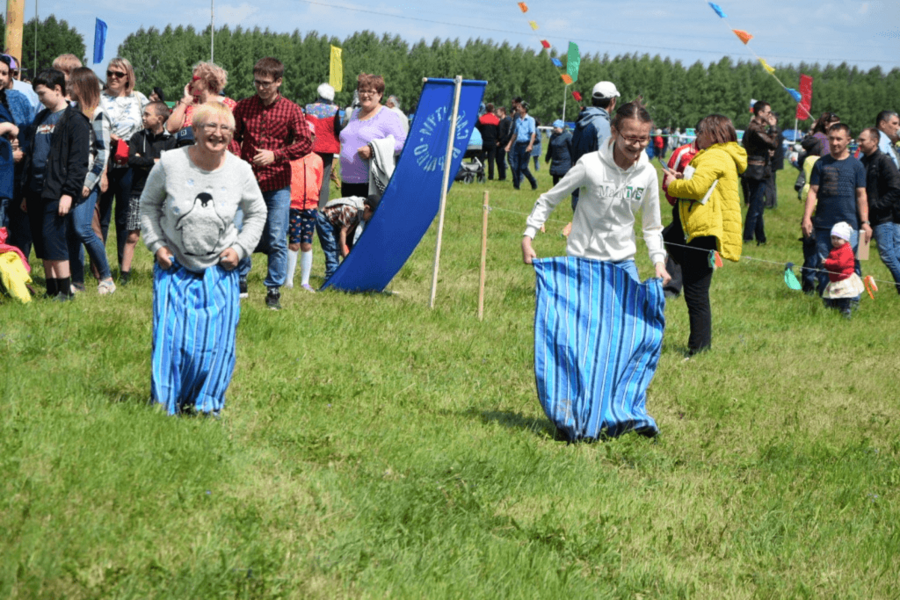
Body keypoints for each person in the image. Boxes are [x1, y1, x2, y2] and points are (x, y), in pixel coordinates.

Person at [140, 102, 266, 416]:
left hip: (220, 271)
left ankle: (206, 405)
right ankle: (165, 404)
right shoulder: (170, 163)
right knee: (171, 340)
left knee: (217, 344)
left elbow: (257, 213)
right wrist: (157, 245)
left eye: (225, 128)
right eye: (209, 126)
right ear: (194, 130)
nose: (217, 133)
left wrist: (239, 250)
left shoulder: (241, 170)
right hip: (174, 266)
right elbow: (147, 206)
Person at [522, 99, 670, 285]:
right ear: (614, 132)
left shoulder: (647, 173)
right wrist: (528, 236)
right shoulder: (590, 165)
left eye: (643, 139)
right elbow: (549, 199)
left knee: (631, 313)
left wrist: (658, 262)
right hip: (583, 259)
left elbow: (652, 226)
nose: (637, 145)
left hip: (623, 262)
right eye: (631, 138)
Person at [232, 56, 313, 310]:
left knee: (277, 237)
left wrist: (276, 155)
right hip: (246, 182)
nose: (261, 87)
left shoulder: (291, 110)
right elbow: (233, 136)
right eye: (257, 82)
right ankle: (240, 278)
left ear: (279, 82)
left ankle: (273, 289)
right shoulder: (243, 107)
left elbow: (306, 142)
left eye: (266, 83)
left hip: (277, 184)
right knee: (238, 231)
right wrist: (238, 158)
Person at [664, 114, 747, 355]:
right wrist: (683, 178)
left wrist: (672, 184)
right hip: (702, 228)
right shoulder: (722, 155)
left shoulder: (715, 156)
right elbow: (703, 185)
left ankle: (698, 349)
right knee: (669, 238)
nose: (697, 137)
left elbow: (696, 188)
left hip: (703, 231)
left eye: (700, 132)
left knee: (696, 294)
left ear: (713, 134)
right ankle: (699, 346)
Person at [20, 68, 90, 300]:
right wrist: (25, 193)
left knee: (55, 240)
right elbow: (32, 155)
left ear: (58, 90)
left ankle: (64, 290)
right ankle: (51, 289)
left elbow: (78, 162)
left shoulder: (75, 120)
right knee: (42, 242)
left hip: (57, 191)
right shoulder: (40, 118)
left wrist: (69, 194)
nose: (39, 99)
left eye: (42, 93)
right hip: (35, 189)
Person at [801, 123, 870, 296]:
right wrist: (807, 218)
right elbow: (813, 192)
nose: (835, 142)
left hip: (851, 225)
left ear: (848, 140)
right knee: (825, 265)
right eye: (831, 138)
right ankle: (828, 302)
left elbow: (862, 195)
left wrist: (865, 223)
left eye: (839, 139)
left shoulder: (857, 166)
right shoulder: (820, 163)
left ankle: (851, 302)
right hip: (824, 224)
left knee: (853, 264)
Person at [65, 67, 116, 295]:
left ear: (82, 86)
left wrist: (89, 182)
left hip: (87, 182)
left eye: (71, 84)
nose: (68, 88)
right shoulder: (71, 113)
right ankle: (77, 282)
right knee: (71, 232)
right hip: (69, 180)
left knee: (83, 228)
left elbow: (103, 153)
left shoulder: (98, 115)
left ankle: (106, 278)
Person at [98, 57, 149, 279]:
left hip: (129, 163)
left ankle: (123, 267)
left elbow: (154, 123)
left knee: (125, 217)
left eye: (119, 74)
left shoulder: (139, 99)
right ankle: (99, 268)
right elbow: (89, 122)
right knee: (101, 217)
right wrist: (109, 137)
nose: (113, 78)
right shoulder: (97, 98)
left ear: (128, 76)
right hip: (103, 161)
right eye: (110, 73)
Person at [124, 101, 175, 281]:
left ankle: (160, 271)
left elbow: (169, 165)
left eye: (147, 114)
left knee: (163, 236)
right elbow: (131, 160)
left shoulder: (171, 141)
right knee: (132, 235)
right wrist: (154, 161)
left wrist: (143, 159)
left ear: (159, 118)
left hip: (162, 194)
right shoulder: (137, 137)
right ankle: (124, 274)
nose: (143, 118)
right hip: (138, 191)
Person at [338, 73, 407, 199]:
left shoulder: (388, 116)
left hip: (370, 185)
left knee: (367, 219)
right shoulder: (354, 113)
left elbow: (403, 144)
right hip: (347, 182)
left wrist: (373, 150)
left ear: (380, 94)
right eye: (362, 91)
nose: (365, 95)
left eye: (371, 92)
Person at [660, 126, 702, 299]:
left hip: (703, 209)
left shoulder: (714, 157)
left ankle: (694, 280)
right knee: (674, 239)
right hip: (682, 207)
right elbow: (667, 181)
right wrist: (676, 202)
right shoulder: (682, 152)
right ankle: (672, 287)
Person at [858, 127, 900, 293]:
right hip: (864, 219)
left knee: (888, 255)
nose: (859, 143)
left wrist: (878, 206)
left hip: (884, 218)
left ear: (874, 141)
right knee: (860, 254)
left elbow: (896, 189)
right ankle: (856, 291)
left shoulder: (885, 161)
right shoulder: (863, 162)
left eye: (863, 140)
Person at [166, 62, 238, 156]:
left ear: (205, 82)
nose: (190, 82)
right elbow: (170, 127)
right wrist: (185, 101)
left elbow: (237, 137)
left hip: (218, 160)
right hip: (191, 161)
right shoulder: (190, 105)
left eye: (194, 79)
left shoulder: (229, 105)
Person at [286, 121, 324, 292]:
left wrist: (315, 200)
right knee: (293, 243)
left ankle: (305, 281)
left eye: (308, 137)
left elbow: (319, 182)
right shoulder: (288, 158)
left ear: (313, 138)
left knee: (307, 244)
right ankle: (288, 280)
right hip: (293, 205)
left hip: (310, 206)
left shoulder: (317, 160)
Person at [570, 81, 619, 210]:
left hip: (578, 188)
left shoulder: (582, 119)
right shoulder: (602, 124)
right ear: (613, 101)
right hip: (594, 194)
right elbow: (606, 159)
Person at [741, 100, 779, 245]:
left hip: (757, 170)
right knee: (755, 206)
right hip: (756, 171)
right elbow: (773, 143)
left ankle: (761, 238)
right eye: (768, 112)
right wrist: (773, 127)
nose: (770, 115)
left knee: (758, 205)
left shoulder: (756, 128)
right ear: (760, 113)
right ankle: (748, 237)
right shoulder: (755, 129)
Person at [320, 195, 378, 268]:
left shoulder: (361, 211)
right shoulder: (352, 209)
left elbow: (350, 227)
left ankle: (337, 272)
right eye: (370, 216)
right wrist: (345, 254)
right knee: (333, 250)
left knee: (338, 247)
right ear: (367, 207)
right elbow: (343, 232)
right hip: (325, 218)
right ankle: (331, 275)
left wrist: (341, 245)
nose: (369, 219)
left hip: (336, 222)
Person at [822, 222, 865, 318]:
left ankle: (846, 315)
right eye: (833, 238)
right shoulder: (835, 249)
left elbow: (840, 264)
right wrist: (826, 265)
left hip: (844, 279)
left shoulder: (846, 249)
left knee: (843, 299)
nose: (835, 241)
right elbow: (833, 265)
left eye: (838, 238)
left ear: (845, 239)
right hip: (836, 279)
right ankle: (832, 312)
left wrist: (828, 262)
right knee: (832, 298)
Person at [505, 101, 537, 191]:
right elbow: (515, 134)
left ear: (524, 109)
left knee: (523, 167)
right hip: (517, 145)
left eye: (519, 107)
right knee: (515, 166)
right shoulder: (518, 120)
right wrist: (509, 145)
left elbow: (533, 134)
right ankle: (516, 186)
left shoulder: (530, 120)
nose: (517, 108)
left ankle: (533, 181)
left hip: (526, 145)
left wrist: (530, 145)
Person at [763, 112, 785, 209]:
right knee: (771, 182)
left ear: (776, 120)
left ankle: (769, 203)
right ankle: (772, 202)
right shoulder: (773, 129)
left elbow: (773, 142)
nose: (769, 119)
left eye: (772, 118)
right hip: (773, 160)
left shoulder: (775, 130)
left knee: (769, 182)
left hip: (773, 160)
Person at [544, 119, 573, 185]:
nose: (554, 129)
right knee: (555, 178)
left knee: (564, 180)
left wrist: (574, 160)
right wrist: (547, 158)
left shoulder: (568, 136)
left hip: (565, 162)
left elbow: (572, 149)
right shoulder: (553, 136)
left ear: (561, 127)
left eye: (556, 128)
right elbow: (550, 148)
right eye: (554, 128)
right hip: (555, 161)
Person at [476, 103, 500, 180]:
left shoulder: (481, 119)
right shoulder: (496, 120)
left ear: (486, 110)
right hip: (492, 142)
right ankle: (491, 176)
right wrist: (497, 139)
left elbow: (477, 129)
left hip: (483, 142)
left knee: (481, 159)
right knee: (491, 160)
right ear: (493, 110)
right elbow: (499, 131)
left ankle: (480, 175)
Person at [496, 106, 512, 182]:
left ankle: (503, 176)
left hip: (503, 143)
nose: (496, 113)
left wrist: (502, 142)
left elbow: (506, 134)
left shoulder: (507, 121)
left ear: (502, 112)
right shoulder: (500, 121)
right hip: (498, 143)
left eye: (498, 111)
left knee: (502, 160)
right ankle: (500, 176)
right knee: (498, 160)